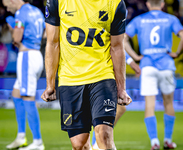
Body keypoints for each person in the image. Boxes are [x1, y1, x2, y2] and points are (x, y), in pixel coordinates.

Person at [41, 0, 132, 150]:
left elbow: (117, 47)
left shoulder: (115, 3)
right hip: (70, 79)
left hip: (102, 75)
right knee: (79, 145)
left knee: (104, 135)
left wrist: (121, 89)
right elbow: (53, 42)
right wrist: (50, 85)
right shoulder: (58, 2)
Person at [125, 0, 183, 150]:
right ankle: (168, 140)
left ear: (148, 4)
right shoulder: (170, 19)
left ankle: (154, 142)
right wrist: (177, 53)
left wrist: (135, 56)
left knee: (149, 104)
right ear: (162, 4)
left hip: (147, 65)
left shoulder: (139, 20)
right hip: (166, 64)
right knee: (168, 103)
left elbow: (123, 38)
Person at [3, 0, 45, 149]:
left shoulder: (21, 13)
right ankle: (21, 136)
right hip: (36, 54)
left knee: (28, 96)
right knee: (16, 94)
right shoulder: (37, 11)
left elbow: (17, 37)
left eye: (7, 4)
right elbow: (45, 33)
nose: (8, 8)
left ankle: (38, 142)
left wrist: (12, 28)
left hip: (27, 57)